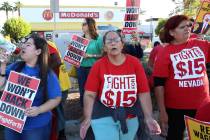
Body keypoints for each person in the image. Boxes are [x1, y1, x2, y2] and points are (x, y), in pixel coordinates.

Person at [80, 30, 161, 140]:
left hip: (130, 116)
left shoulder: (135, 63)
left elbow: (143, 92)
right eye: (109, 41)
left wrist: (148, 117)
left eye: (116, 40)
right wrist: (87, 118)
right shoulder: (98, 66)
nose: (113, 43)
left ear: (122, 44)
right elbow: (89, 94)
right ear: (104, 48)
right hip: (103, 115)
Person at [153, 15, 210, 140]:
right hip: (176, 109)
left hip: (203, 105)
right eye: (182, 27)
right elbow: (159, 84)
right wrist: (162, 112)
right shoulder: (164, 52)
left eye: (189, 25)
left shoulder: (201, 44)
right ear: (172, 32)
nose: (187, 29)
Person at [0, 34, 62, 140]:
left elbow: (56, 98)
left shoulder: (47, 73)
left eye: (28, 45)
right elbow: (1, 87)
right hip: (11, 123)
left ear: (38, 52)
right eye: (24, 44)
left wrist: (39, 110)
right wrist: (3, 65)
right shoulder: (14, 67)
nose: (23, 46)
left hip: (35, 126)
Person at [77, 17, 103, 107]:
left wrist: (90, 55)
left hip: (93, 68)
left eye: (84, 24)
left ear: (90, 25)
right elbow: (76, 54)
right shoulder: (80, 39)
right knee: (82, 91)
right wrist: (72, 49)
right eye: (82, 24)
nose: (82, 26)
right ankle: (84, 114)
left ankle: (94, 114)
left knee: (93, 91)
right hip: (81, 68)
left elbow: (104, 55)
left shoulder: (99, 39)